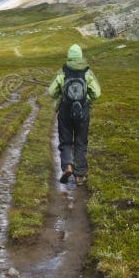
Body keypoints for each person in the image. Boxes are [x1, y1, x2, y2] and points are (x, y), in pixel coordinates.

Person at [48, 44, 101, 186]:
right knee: (81, 142)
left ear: (69, 56)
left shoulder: (62, 71)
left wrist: (61, 92)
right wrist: (86, 99)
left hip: (65, 110)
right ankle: (79, 176)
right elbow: (97, 93)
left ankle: (67, 167)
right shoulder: (87, 71)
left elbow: (51, 92)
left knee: (65, 141)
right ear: (80, 55)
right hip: (83, 111)